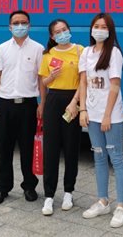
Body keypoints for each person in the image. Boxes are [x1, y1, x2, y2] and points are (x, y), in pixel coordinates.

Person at [78, 13, 123, 228]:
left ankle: (122, 207)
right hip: (92, 114)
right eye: (96, 26)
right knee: (99, 157)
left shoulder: (114, 53)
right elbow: (83, 82)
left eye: (104, 27)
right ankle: (103, 202)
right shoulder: (86, 52)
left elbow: (115, 84)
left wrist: (108, 114)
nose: (99, 30)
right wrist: (83, 109)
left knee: (116, 158)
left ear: (110, 31)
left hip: (111, 116)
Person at [0, 10, 44, 206]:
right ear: (10, 27)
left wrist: (42, 104)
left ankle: (29, 186)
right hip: (5, 104)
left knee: (28, 148)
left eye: (24, 22)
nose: (20, 26)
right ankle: (2, 188)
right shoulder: (2, 48)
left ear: (29, 25)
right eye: (16, 23)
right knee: (5, 148)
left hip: (28, 105)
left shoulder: (38, 49)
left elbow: (42, 79)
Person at [38, 19, 84, 216]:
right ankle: (49, 195)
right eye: (58, 32)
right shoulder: (48, 55)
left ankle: (68, 192)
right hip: (53, 99)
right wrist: (51, 77)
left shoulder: (80, 50)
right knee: (50, 149)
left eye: (64, 29)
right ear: (52, 36)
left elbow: (84, 80)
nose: (62, 33)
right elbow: (43, 81)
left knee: (71, 147)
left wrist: (76, 102)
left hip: (73, 100)